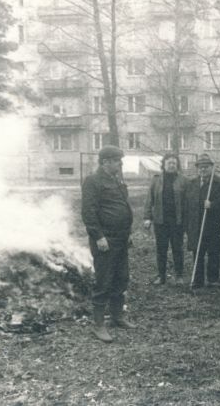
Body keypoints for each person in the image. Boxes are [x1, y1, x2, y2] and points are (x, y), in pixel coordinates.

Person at [81, 145, 134, 343]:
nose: (120, 164)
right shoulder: (92, 181)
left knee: (121, 277)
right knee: (104, 280)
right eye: (117, 161)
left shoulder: (116, 180)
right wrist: (98, 236)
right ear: (106, 162)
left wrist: (127, 233)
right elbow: (88, 212)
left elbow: (122, 207)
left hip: (121, 237)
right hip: (106, 239)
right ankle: (98, 325)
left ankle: (117, 316)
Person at [184, 154, 220, 289]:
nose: (203, 170)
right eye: (200, 167)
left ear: (211, 168)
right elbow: (187, 204)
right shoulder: (192, 183)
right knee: (197, 252)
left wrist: (212, 205)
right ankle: (198, 280)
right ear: (197, 169)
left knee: (213, 251)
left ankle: (213, 279)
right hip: (196, 224)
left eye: (206, 167)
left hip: (213, 224)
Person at [143, 153, 187, 285]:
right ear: (164, 164)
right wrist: (147, 217)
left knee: (177, 248)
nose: (172, 165)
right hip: (160, 221)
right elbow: (149, 199)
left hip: (177, 221)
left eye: (174, 163)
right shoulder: (156, 180)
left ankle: (179, 276)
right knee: (161, 249)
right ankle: (161, 276)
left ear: (177, 165)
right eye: (169, 163)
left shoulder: (183, 180)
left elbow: (187, 201)